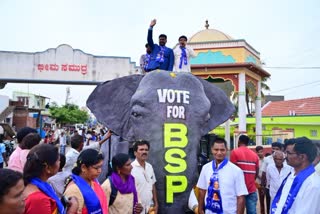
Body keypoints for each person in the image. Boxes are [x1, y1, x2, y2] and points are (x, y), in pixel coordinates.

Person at [197, 137, 248, 214]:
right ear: (212, 150)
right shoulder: (205, 168)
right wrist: (200, 209)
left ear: (227, 150)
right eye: (216, 150)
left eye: (222, 150)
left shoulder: (236, 171)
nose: (219, 153)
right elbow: (202, 190)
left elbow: (241, 197)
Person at [23, 144, 78, 214]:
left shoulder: (35, 184)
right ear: (47, 168)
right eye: (58, 160)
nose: (60, 162)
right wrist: (72, 211)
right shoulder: (39, 200)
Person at [271, 137, 320, 214]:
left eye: (289, 153)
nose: (285, 156)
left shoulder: (313, 185)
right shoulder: (291, 175)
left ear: (302, 157)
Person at [64, 149, 108, 214]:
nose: (99, 171)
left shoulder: (93, 183)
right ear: (83, 167)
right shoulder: (73, 190)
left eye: (100, 167)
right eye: (96, 168)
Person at [230, 135, 259, 214]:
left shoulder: (234, 152)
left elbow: (232, 171)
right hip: (251, 189)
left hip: (238, 190)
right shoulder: (255, 155)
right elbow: (256, 171)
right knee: (252, 212)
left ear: (239, 141)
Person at [131, 140, 158, 214]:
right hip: (137, 209)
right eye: (141, 149)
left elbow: (153, 185)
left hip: (150, 207)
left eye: (146, 150)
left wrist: (156, 203)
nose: (144, 152)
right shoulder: (130, 169)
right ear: (135, 153)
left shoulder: (149, 167)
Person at [260, 142, 283, 214]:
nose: (275, 150)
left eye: (277, 149)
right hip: (269, 188)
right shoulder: (267, 159)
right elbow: (264, 173)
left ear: (281, 150)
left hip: (282, 188)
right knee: (270, 206)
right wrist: (263, 186)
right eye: (273, 148)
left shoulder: (284, 159)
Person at [255, 146, 265, 214]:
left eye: (261, 151)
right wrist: (260, 178)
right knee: (261, 199)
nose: (260, 153)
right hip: (259, 182)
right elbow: (256, 171)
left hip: (267, 182)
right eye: (259, 152)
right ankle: (262, 212)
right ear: (257, 153)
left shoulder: (267, 160)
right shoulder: (256, 160)